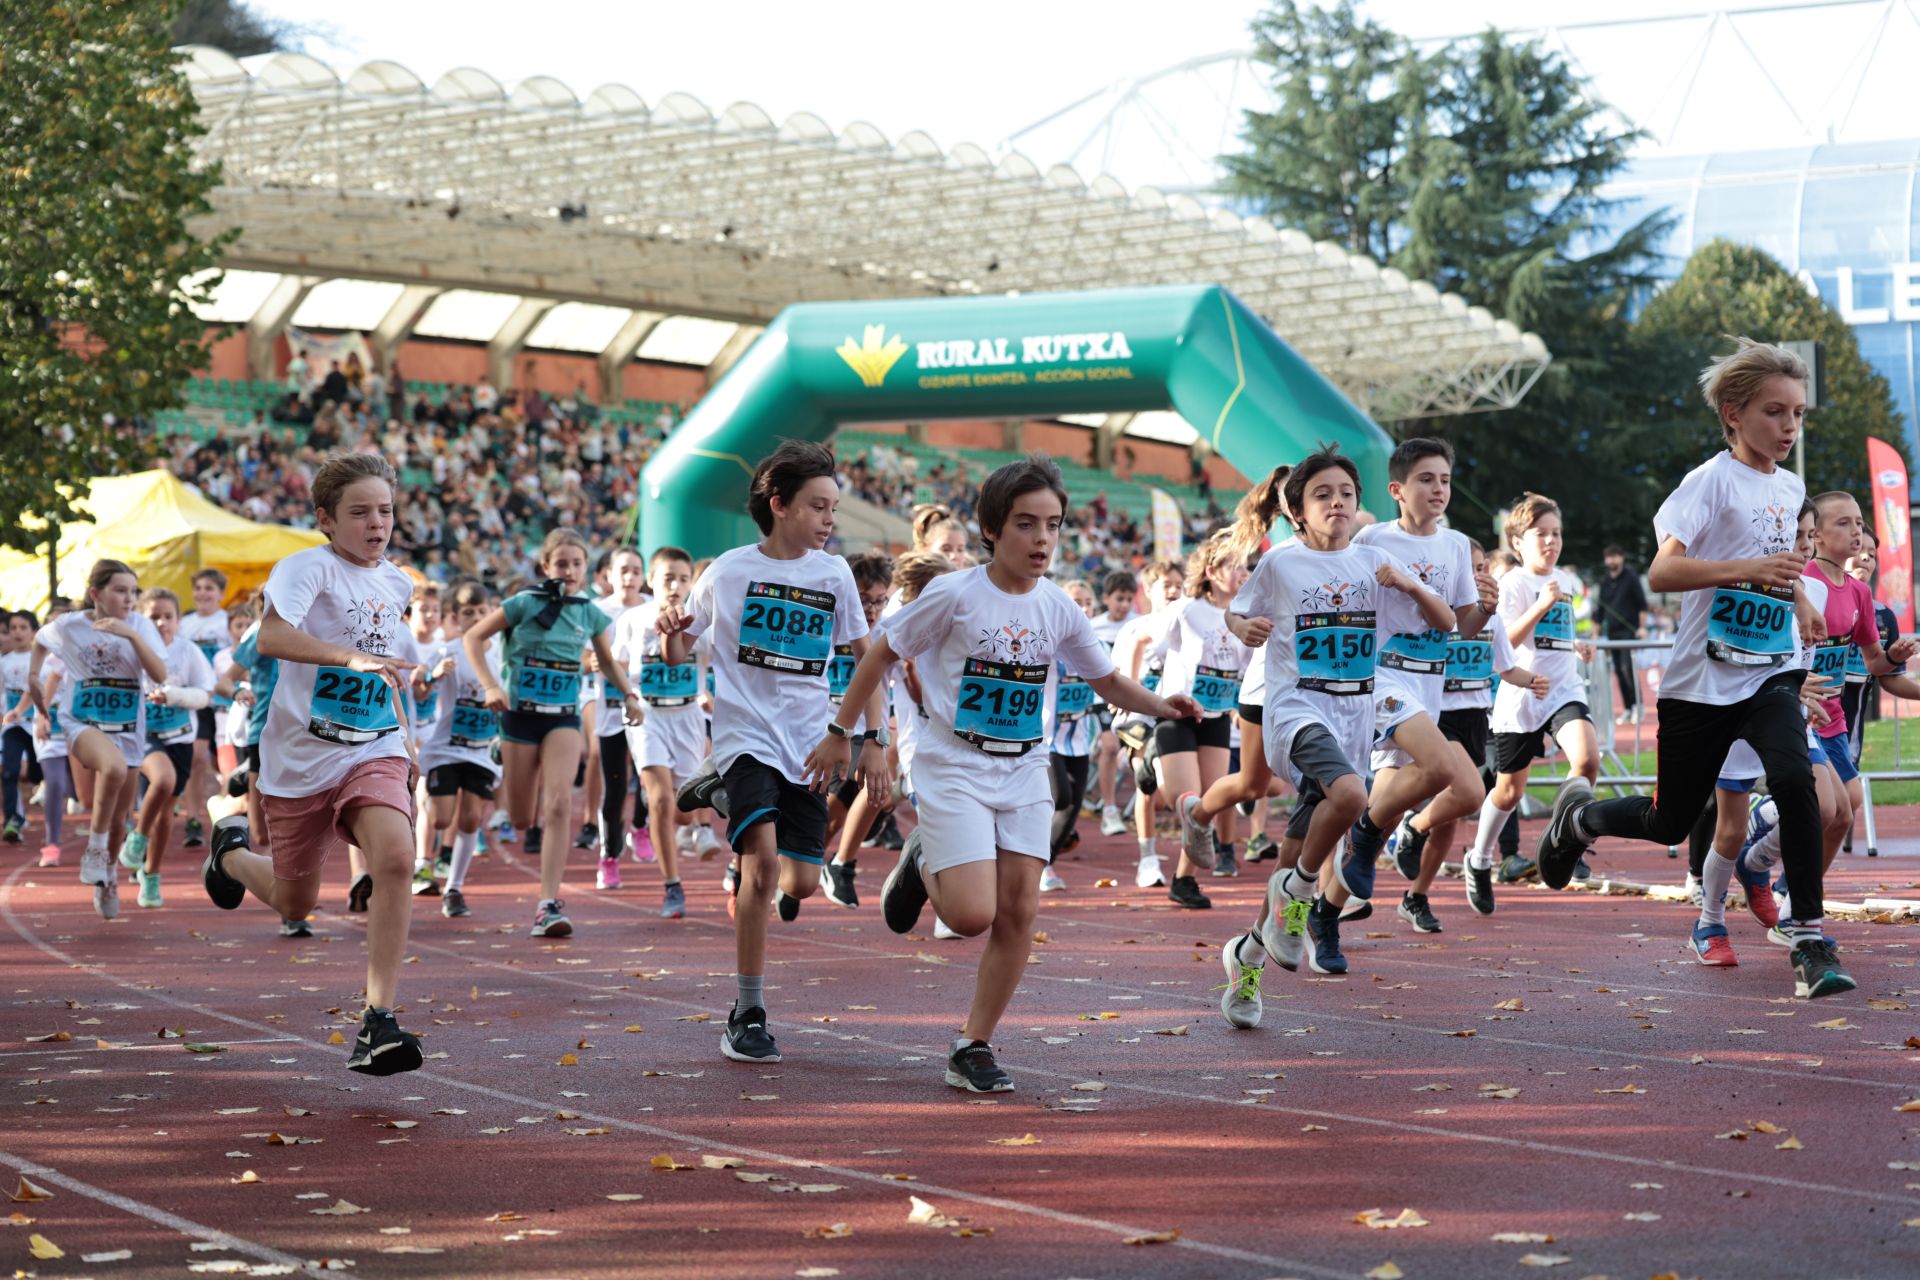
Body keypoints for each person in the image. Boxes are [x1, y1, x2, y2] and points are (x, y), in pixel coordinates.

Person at [1535, 339, 1911, 1000]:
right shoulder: (1708, 482)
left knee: (1797, 783)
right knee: (1670, 823)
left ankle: (1810, 940)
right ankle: (1580, 821)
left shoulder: (1789, 487)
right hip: (1699, 685)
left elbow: (1782, 561)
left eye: (1798, 414)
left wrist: (1798, 602)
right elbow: (1663, 571)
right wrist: (1749, 571)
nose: (1790, 427)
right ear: (1734, 414)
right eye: (1776, 412)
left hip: (1768, 676)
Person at [840, 453, 1200, 1092]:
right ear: (992, 529)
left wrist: (1160, 703)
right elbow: (880, 653)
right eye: (1027, 524)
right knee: (973, 915)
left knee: (1019, 911)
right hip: (954, 764)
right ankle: (923, 860)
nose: (1042, 540)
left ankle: (972, 1044)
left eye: (1054, 525)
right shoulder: (952, 594)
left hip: (1025, 767)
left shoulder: (1058, 606)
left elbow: (1106, 677)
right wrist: (859, 736)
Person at [656, 440, 886, 1065]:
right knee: (759, 866)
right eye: (818, 506)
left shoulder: (832, 574)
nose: (830, 520)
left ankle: (719, 789)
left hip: (811, 743)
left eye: (834, 507)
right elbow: (680, 653)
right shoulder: (727, 572)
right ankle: (747, 1012)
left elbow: (864, 661)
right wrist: (673, 638)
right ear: (779, 505)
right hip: (746, 735)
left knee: (803, 883)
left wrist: (873, 739)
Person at [198, 450, 427, 1072]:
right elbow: (271, 638)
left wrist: (408, 695)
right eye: (359, 512)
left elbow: (388, 651)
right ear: (326, 518)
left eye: (385, 510)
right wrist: (348, 659)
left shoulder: (398, 581)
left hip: (372, 745)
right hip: (299, 758)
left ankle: (378, 1020)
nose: (376, 523)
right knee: (296, 904)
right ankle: (232, 852)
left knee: (398, 857)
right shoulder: (306, 568)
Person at [1209, 446, 1450, 1029]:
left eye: (1345, 492)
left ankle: (1246, 961)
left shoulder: (1374, 563)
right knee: (1349, 798)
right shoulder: (1282, 565)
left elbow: (1445, 623)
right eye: (1322, 494)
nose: (1337, 501)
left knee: (1304, 850)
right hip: (1297, 713)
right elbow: (1237, 615)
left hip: (1352, 722)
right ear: (1297, 512)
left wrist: (1410, 586)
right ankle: (1298, 894)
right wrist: (1246, 627)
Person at [464, 528, 646, 938]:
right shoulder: (524, 603)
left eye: (576, 563)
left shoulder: (590, 612)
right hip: (520, 717)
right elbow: (474, 637)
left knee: (560, 804)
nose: (568, 570)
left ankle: (547, 903)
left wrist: (629, 695)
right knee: (524, 817)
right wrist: (491, 685)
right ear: (546, 566)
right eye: (560, 563)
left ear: (586, 570)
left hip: (562, 717)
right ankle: (502, 748)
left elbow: (608, 660)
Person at [1464, 493, 1599, 888]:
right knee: (1507, 792)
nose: (1551, 541)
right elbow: (1505, 641)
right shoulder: (1514, 582)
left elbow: (1551, 637)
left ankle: (1566, 841)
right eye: (1541, 533)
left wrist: (1576, 645)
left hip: (1563, 690)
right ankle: (1480, 857)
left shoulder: (1568, 581)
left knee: (1587, 760)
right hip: (1522, 695)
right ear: (1518, 542)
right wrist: (1540, 605)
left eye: (1557, 533)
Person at [29, 560, 168, 919]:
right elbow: (40, 640)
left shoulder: (140, 625)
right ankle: (93, 847)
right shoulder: (70, 625)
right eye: (120, 590)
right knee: (113, 767)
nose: (129, 598)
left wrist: (131, 635)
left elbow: (159, 673)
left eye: (133, 591)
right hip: (80, 721)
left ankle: (106, 877)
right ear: (96, 594)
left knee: (121, 818)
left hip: (126, 728)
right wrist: (33, 677)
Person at [612, 546, 707, 919]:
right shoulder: (634, 619)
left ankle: (685, 831)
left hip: (687, 718)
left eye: (683, 579)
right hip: (647, 716)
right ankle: (672, 885)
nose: (675, 585)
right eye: (668, 578)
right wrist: (628, 694)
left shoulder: (701, 620)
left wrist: (709, 694)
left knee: (684, 809)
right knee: (661, 801)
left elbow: (720, 662)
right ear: (651, 580)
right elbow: (617, 663)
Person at [119, 589, 217, 908]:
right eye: (153, 617)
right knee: (163, 780)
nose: (161, 622)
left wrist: (173, 695)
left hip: (180, 738)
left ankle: (151, 873)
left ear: (178, 619)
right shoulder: (133, 650)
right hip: (144, 736)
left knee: (165, 812)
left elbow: (206, 695)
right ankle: (137, 839)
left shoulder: (187, 651)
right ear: (141, 620)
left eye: (168, 616)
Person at [417, 578, 501, 919]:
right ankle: (425, 799)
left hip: (482, 749)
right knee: (440, 819)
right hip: (448, 747)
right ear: (454, 617)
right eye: (469, 612)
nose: (477, 617)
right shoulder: (449, 651)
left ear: (492, 612)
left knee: (470, 819)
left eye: (482, 611)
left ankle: (454, 888)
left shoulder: (501, 653)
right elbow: (421, 692)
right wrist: (434, 674)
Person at [585, 547, 649, 889]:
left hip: (649, 710)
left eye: (636, 571)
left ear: (644, 576)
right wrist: (592, 663)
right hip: (611, 710)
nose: (629, 578)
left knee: (648, 780)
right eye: (623, 570)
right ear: (608, 575)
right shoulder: (596, 611)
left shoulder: (653, 610)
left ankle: (640, 826)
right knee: (615, 787)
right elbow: (580, 656)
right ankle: (608, 857)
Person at [178, 569, 231, 851]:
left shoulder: (226, 622)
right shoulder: (185, 624)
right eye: (198, 587)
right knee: (197, 759)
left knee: (224, 766)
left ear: (221, 594)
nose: (202, 593)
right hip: (198, 700)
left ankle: (227, 817)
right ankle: (193, 818)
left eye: (209, 588)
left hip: (224, 703)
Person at [1090, 570, 1140, 837]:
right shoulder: (1093, 626)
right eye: (1119, 598)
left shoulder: (1138, 624)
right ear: (1106, 598)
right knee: (1109, 746)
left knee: (1130, 750)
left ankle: (1123, 760)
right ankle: (1109, 809)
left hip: (1129, 696)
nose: (1124, 605)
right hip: (1100, 696)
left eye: (1129, 599)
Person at [1, 611, 42, 846]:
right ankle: (12, 821)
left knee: (36, 774)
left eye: (23, 627)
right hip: (14, 726)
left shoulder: (40, 660)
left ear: (34, 632)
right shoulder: (3, 663)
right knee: (9, 771)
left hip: (37, 726)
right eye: (12, 628)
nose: (17, 632)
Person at [1597, 545, 1649, 724]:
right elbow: (1600, 610)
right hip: (1612, 633)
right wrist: (1596, 634)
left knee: (1628, 669)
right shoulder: (1605, 581)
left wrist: (1642, 628)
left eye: (1614, 557)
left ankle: (1638, 706)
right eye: (1608, 557)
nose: (1611, 561)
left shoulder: (1631, 577)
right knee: (1618, 671)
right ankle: (1627, 708)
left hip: (1629, 631)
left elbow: (1642, 605)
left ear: (1622, 558)